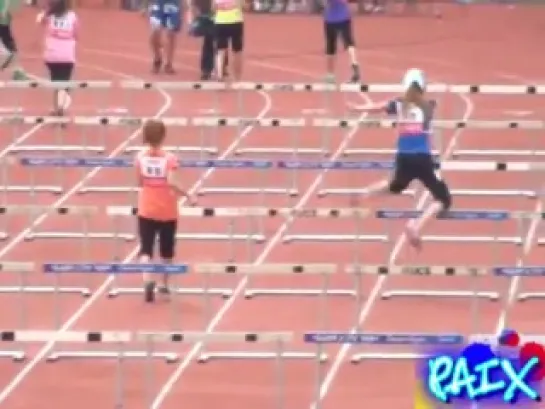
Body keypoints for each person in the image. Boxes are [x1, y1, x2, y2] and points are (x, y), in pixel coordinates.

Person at [347, 68, 452, 249]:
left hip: (403, 158)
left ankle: (366, 193)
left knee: (395, 186)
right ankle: (415, 226)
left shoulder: (399, 103)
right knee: (443, 199)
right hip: (422, 158)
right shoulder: (429, 106)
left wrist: (358, 108)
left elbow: (378, 107)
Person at [135, 119, 194, 302]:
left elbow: (139, 182)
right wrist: (189, 194)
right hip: (167, 209)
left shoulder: (139, 158)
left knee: (146, 249)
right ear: (163, 136)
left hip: (146, 208)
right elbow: (172, 181)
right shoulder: (170, 159)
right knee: (166, 250)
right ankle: (164, 285)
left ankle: (147, 280)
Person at [36, 0, 77, 116]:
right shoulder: (72, 16)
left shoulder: (49, 16)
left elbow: (39, 21)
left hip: (52, 55)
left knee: (57, 83)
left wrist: (45, 10)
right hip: (67, 55)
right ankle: (61, 109)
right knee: (64, 84)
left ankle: (58, 108)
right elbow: (76, 33)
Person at [323, 0, 360, 83]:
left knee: (331, 47)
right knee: (348, 42)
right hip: (342, 18)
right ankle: (354, 66)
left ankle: (330, 74)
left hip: (332, 19)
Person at [144, 0, 185, 74]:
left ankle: (169, 63)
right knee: (155, 33)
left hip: (174, 4)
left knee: (171, 33)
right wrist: (146, 6)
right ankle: (157, 57)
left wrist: (183, 6)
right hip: (158, 4)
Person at [213, 0, 245, 82]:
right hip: (236, 21)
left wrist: (223, 7)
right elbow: (243, 5)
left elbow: (213, 7)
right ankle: (237, 78)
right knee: (237, 51)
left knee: (221, 50)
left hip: (221, 22)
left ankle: (220, 76)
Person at [0, 0, 28, 80]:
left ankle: (17, 71)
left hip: (4, 24)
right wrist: (4, 10)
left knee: (12, 49)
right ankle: (17, 71)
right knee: (12, 49)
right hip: (3, 23)